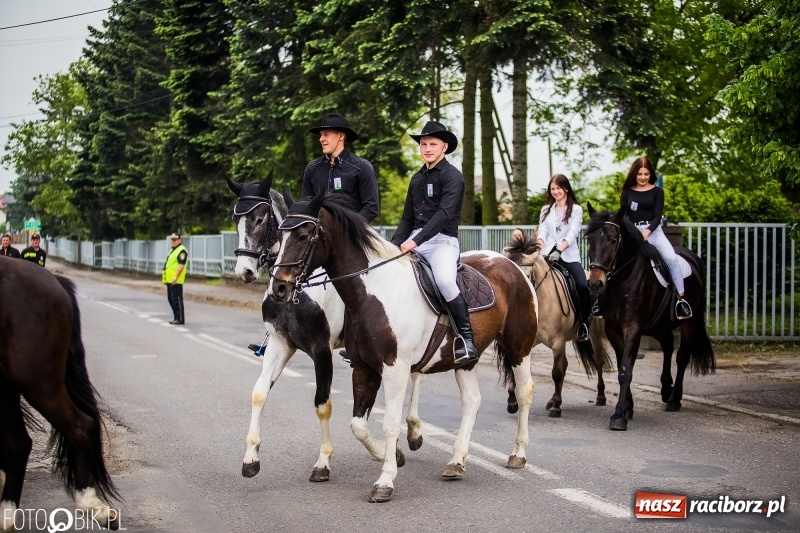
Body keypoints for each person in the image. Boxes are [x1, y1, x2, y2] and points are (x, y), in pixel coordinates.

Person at [391, 120, 477, 362]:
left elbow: (444, 214)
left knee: (445, 282)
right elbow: (407, 218)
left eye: (433, 144)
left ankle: (466, 339)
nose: (427, 148)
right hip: (415, 239)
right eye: (424, 144)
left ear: (444, 147)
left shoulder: (453, 176)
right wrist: (393, 247)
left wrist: (414, 242)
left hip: (442, 241)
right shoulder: (416, 179)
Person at [620, 157, 692, 319]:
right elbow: (623, 216)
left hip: (654, 232)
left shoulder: (657, 192)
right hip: (632, 233)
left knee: (671, 259)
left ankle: (680, 299)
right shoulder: (626, 193)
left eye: (646, 174)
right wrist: (632, 233)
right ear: (634, 174)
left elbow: (657, 216)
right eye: (640, 174)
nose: (643, 177)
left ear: (651, 174)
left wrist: (646, 232)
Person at [536, 174, 590, 341]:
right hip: (547, 254)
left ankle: (583, 323)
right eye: (553, 189)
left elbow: (573, 234)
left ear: (566, 188)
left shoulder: (576, 210)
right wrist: (538, 247)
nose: (555, 192)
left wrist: (559, 250)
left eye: (558, 188)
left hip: (567, 255)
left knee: (582, 286)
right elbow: (543, 231)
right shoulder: (546, 209)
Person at [302, 113, 379, 223]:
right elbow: (306, 205)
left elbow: (371, 208)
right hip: (319, 232)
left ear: (341, 136)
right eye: (321, 135)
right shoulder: (312, 168)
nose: (321, 139)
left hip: (353, 232)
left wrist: (348, 227)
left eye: (326, 134)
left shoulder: (362, 167)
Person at [162, 233, 188, 325]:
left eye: (175, 239)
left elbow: (181, 265)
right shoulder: (172, 250)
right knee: (171, 299)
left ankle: (180, 319)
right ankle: (176, 317)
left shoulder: (182, 250)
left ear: (179, 240)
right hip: (170, 280)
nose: (173, 241)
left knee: (176, 300)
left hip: (176, 280)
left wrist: (175, 277)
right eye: (172, 240)